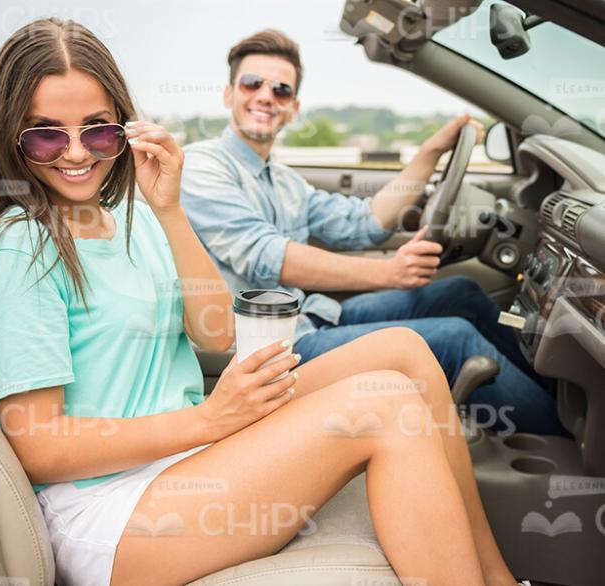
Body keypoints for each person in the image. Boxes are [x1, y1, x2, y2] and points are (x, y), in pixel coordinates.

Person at [0, 18, 529, 586]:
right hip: (109, 512)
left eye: (97, 130)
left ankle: (499, 579)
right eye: (46, 134)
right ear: (10, 136)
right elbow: (39, 446)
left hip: (185, 454)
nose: (75, 153)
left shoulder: (133, 218)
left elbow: (215, 336)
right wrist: (209, 417)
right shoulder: (18, 252)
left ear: (124, 129)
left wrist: (170, 211)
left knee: (404, 352)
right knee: (382, 408)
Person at [180, 29, 563, 436]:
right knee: (454, 338)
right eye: (252, 83)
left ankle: (556, 397)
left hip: (312, 316)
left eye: (280, 89)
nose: (265, 96)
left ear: (293, 108)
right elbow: (266, 254)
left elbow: (364, 223)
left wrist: (429, 154)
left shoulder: (285, 181)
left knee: (461, 293)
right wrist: (389, 273)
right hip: (270, 354)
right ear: (229, 94)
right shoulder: (203, 167)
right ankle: (570, 438)